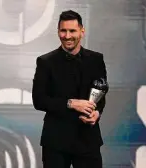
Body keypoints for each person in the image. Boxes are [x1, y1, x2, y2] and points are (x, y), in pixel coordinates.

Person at [32, 10, 108, 168]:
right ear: (58, 31)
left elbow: (101, 93)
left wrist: (97, 113)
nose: (67, 36)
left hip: (88, 139)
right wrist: (71, 103)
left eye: (72, 30)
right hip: (56, 142)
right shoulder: (45, 62)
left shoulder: (96, 59)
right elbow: (39, 100)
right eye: (63, 30)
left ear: (82, 31)